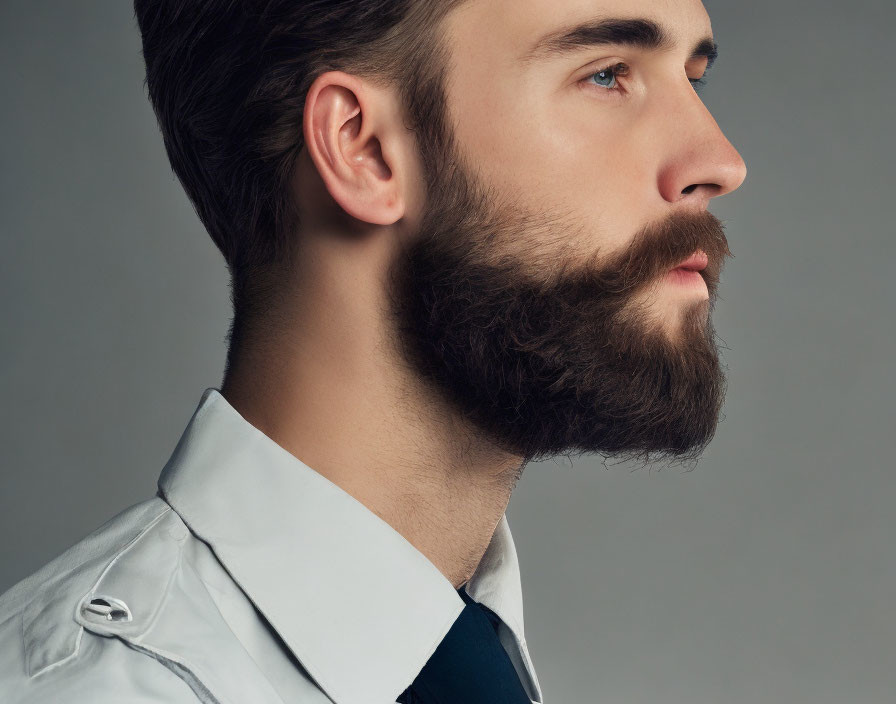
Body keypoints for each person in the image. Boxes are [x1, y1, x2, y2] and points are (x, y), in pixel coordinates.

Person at [0, 0, 746, 701]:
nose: (720, 160)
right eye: (607, 74)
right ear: (363, 148)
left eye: (691, 77)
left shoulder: (467, 649)